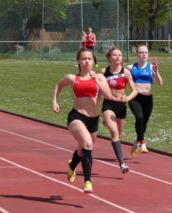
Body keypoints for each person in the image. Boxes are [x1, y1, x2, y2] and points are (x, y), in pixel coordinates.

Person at [52, 48, 120, 193]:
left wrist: (98, 82)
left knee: (82, 149)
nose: (86, 61)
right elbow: (58, 85)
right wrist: (55, 101)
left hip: (93, 120)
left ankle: (71, 166)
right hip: (76, 116)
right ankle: (87, 182)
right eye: (83, 58)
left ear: (94, 61)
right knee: (88, 144)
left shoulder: (100, 77)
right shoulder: (72, 78)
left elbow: (108, 96)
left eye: (89, 58)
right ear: (78, 61)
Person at [100, 47, 137, 173]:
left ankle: (107, 122)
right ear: (109, 57)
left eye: (119, 55)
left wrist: (128, 97)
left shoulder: (126, 72)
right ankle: (122, 164)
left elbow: (135, 90)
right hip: (109, 105)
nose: (117, 57)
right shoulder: (104, 72)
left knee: (118, 134)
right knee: (114, 133)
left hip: (121, 106)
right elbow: (99, 89)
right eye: (114, 55)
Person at [127, 44, 163, 155]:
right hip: (135, 98)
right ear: (137, 54)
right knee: (139, 117)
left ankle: (137, 141)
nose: (143, 54)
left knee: (143, 122)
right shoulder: (130, 67)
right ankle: (142, 142)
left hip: (148, 99)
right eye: (141, 52)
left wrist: (156, 72)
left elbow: (160, 83)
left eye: (146, 52)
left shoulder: (151, 67)